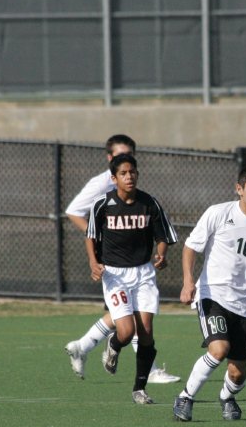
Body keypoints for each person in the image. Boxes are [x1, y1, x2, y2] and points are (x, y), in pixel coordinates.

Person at [172, 166, 246, 422]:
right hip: (211, 294)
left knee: (237, 373)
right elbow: (191, 247)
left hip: (243, 305)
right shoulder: (218, 213)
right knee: (219, 349)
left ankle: (226, 397)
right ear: (239, 189)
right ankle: (185, 397)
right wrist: (188, 282)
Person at [64, 135, 180, 384]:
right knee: (126, 324)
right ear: (110, 161)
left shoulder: (144, 198)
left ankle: (84, 347)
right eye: (119, 159)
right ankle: (148, 371)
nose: (128, 173)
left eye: (131, 160)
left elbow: (161, 232)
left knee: (131, 321)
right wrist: (99, 244)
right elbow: (73, 212)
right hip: (114, 266)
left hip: (137, 265)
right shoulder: (101, 186)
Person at [87, 153, 179, 404]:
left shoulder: (149, 203)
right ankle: (114, 345)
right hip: (115, 275)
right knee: (126, 332)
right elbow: (91, 236)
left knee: (146, 332)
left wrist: (161, 255)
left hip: (144, 273)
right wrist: (94, 263)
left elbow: (163, 237)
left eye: (133, 172)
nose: (129, 177)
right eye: (124, 173)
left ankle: (139, 389)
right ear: (114, 178)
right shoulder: (102, 204)